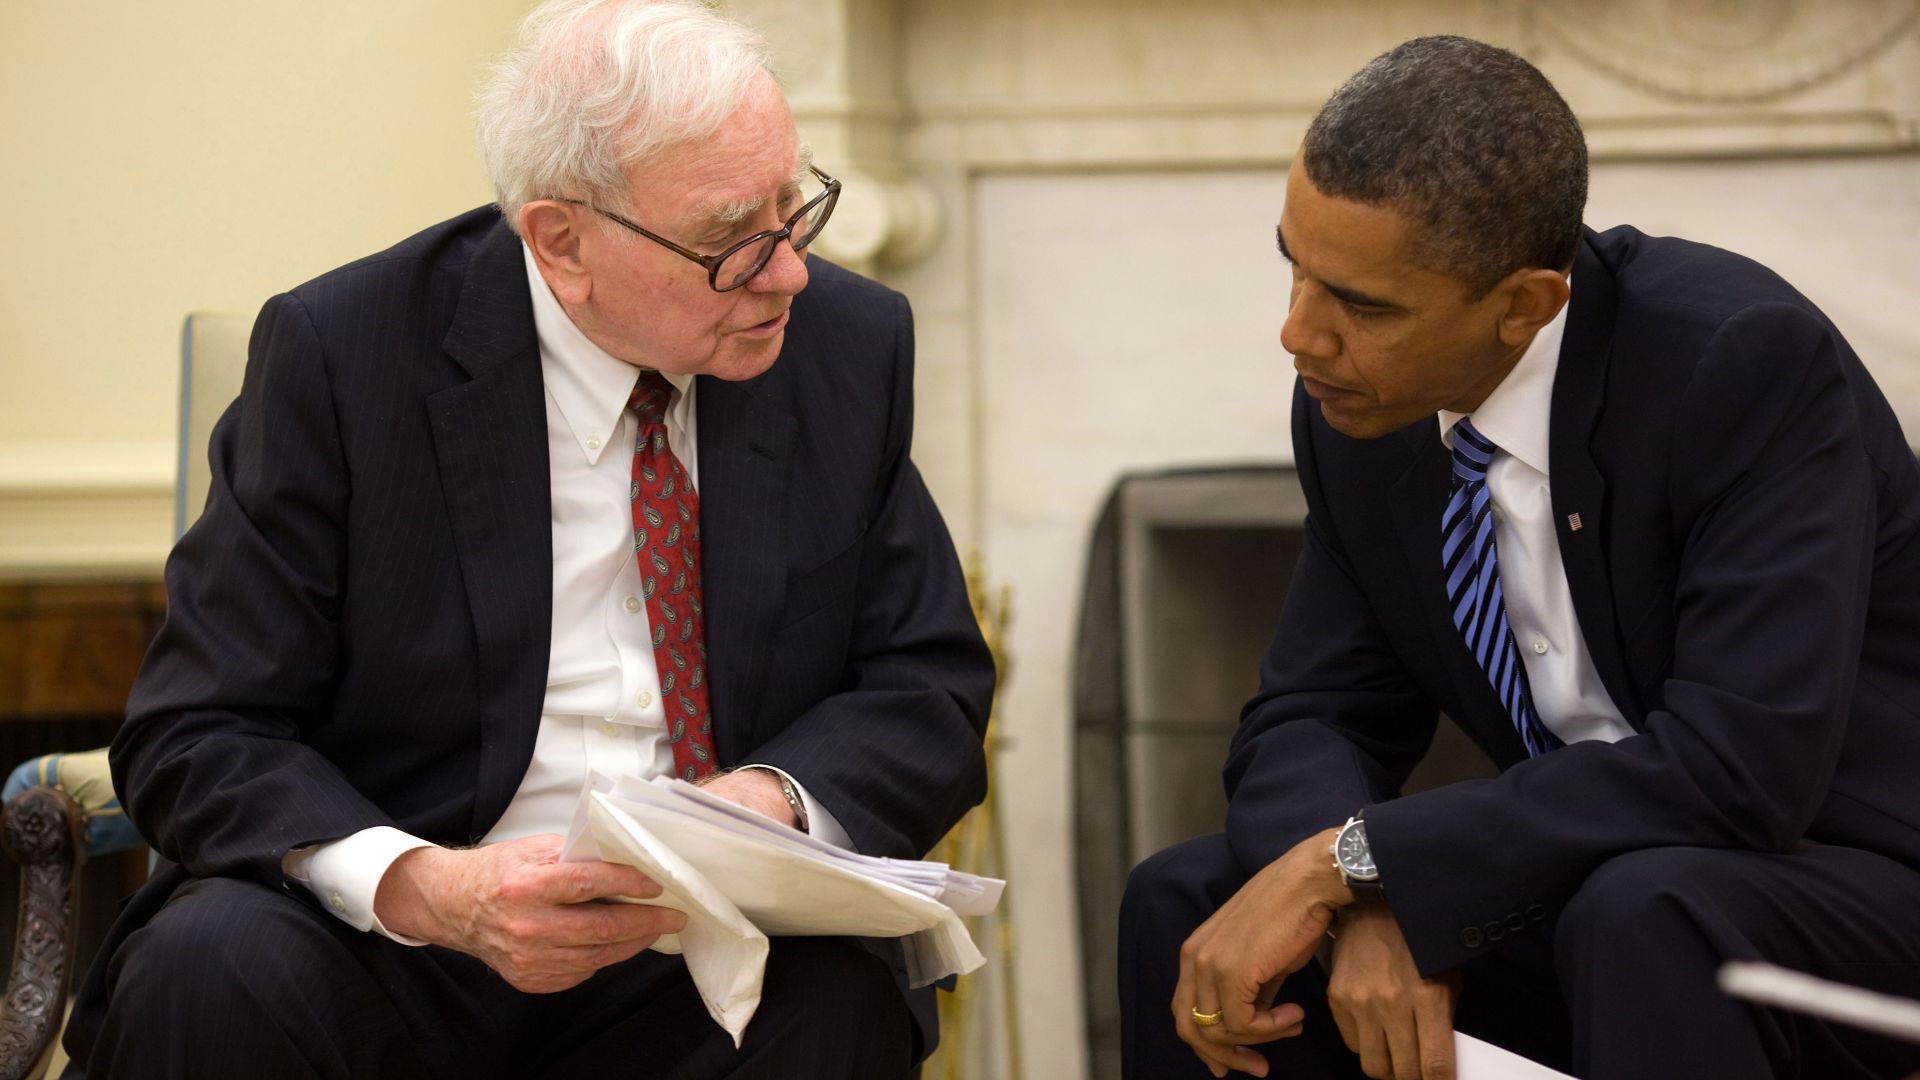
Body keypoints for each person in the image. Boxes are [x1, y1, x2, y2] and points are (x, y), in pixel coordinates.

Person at [61, 2, 994, 1076]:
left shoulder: (844, 347)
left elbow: (928, 688)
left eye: (795, 207)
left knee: (837, 1003)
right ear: (563, 242)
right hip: (395, 943)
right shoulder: (346, 357)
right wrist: (428, 889)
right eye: (733, 238)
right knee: (208, 968)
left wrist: (768, 804)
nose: (786, 271)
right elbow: (197, 730)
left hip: (696, 950)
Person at [1120, 34, 1920, 1080]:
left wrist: (1364, 864)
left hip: (1848, 880)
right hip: (1595, 883)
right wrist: (1352, 901)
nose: (1299, 335)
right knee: (1187, 899)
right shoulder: (1360, 402)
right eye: (1295, 269)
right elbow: (1312, 713)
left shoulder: (1737, 364)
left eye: (1362, 304)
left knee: (1646, 908)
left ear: (1525, 305)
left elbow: (1737, 774)